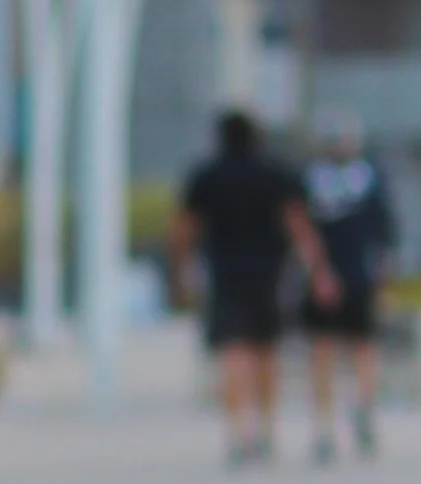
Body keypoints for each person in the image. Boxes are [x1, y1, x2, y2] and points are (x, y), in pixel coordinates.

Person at [170, 107, 333, 462]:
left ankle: (235, 434)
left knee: (233, 353)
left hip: (225, 275)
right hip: (269, 275)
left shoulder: (207, 175)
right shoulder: (275, 174)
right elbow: (299, 225)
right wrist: (318, 270)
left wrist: (179, 273)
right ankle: (266, 429)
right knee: (266, 352)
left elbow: (184, 230)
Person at [301, 119, 396, 460]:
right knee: (323, 351)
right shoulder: (311, 182)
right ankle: (324, 425)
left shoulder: (369, 179)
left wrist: (382, 273)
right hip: (323, 276)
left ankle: (364, 409)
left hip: (359, 276)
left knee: (363, 349)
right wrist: (316, 271)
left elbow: (385, 231)